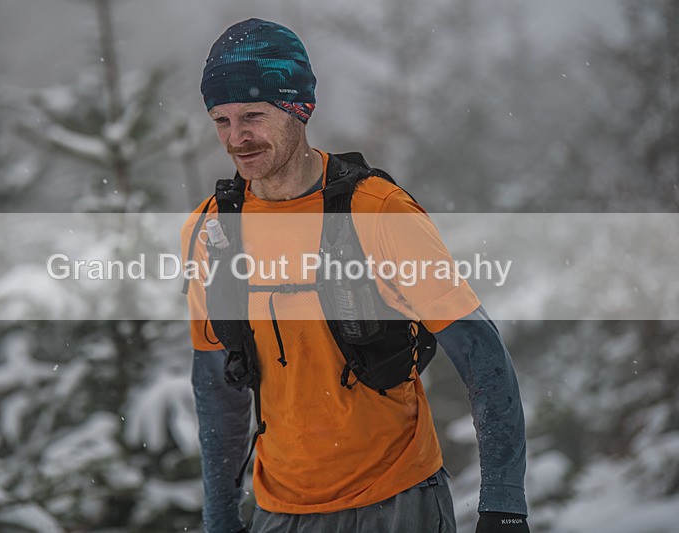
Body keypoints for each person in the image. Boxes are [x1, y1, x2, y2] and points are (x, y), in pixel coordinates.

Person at [183, 18, 528, 533]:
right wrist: (219, 516)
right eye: (222, 119)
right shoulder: (211, 228)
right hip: (280, 512)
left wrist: (502, 503)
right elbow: (217, 384)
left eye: (253, 114)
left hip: (399, 500)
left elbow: (480, 353)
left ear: (299, 108)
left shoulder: (380, 213)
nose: (237, 138)